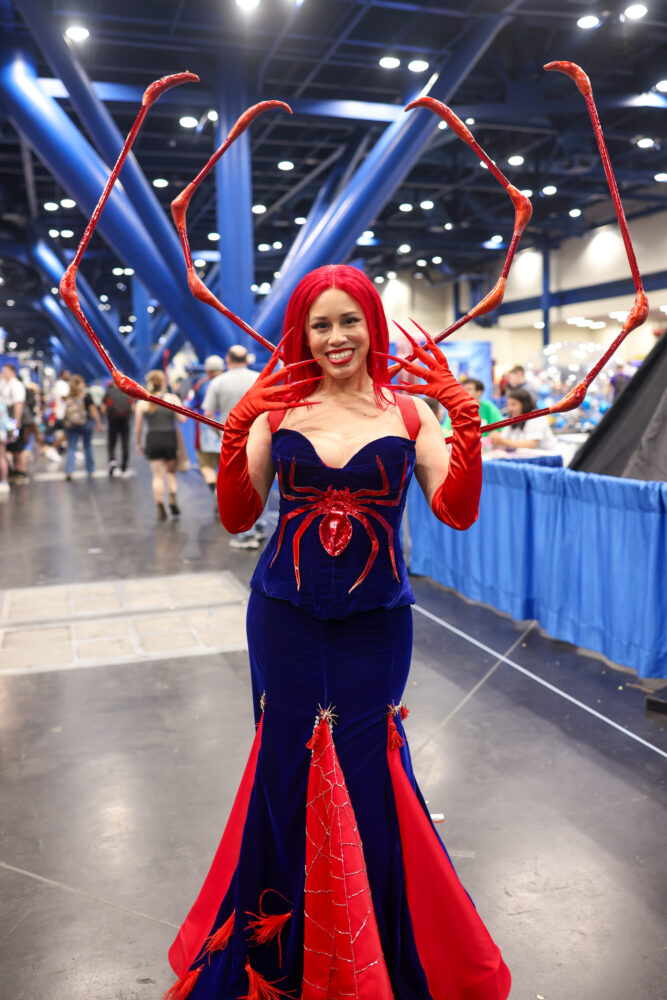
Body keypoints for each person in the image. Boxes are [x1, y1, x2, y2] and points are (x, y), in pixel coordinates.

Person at [164, 266, 510, 1000]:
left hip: (375, 629)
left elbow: (456, 510)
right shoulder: (277, 410)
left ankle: (376, 952)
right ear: (302, 333)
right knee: (286, 773)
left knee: (364, 778)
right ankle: (280, 952)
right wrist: (237, 426)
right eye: (319, 325)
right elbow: (234, 515)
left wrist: (464, 421)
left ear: (372, 325)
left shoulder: (411, 415)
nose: (335, 338)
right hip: (283, 621)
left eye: (347, 321)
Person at [203, 344, 265, 549]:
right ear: (247, 360)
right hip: (261, 438)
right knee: (262, 480)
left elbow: (208, 413)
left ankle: (245, 535)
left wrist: (222, 434)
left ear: (227, 361)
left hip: (233, 442)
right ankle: (260, 527)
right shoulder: (258, 378)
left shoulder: (218, 382)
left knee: (239, 485)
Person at [134, 369, 187, 520]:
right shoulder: (172, 398)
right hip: (169, 437)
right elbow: (182, 419)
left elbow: (138, 427)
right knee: (171, 472)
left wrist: (138, 443)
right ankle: (172, 497)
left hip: (153, 438)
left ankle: (160, 507)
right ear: (164, 381)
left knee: (157, 476)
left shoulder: (143, 401)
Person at [188, 354, 224, 500]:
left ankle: (215, 490)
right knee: (226, 468)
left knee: (206, 466)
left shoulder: (200, 385)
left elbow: (189, 404)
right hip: (229, 429)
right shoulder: (228, 381)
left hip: (205, 432)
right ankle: (225, 494)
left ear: (207, 370)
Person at [489, 387, 557, 452]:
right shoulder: (511, 419)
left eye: (513, 404)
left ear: (524, 404)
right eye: (508, 405)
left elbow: (531, 444)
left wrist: (502, 441)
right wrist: (495, 439)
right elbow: (502, 439)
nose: (510, 408)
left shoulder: (536, 418)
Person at [63, 374, 103, 480]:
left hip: (71, 425)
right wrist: (98, 423)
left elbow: (65, 412)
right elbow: (93, 410)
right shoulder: (86, 396)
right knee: (87, 446)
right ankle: (90, 469)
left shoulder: (68, 397)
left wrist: (66, 421)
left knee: (72, 447)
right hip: (86, 424)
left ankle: (69, 471)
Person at [1, 363, 28, 483]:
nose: (3, 373)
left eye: (5, 371)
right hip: (8, 418)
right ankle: (16, 471)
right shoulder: (6, 384)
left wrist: (16, 421)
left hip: (13, 418)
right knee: (12, 445)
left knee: (18, 445)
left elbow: (19, 404)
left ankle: (21, 471)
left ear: (12, 372)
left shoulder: (16, 384)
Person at [102, 379, 133, 476]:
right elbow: (133, 407)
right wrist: (129, 417)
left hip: (112, 421)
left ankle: (112, 460)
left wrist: (107, 417)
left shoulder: (109, 391)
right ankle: (124, 467)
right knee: (125, 443)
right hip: (125, 421)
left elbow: (103, 407)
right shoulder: (127, 391)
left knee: (112, 442)